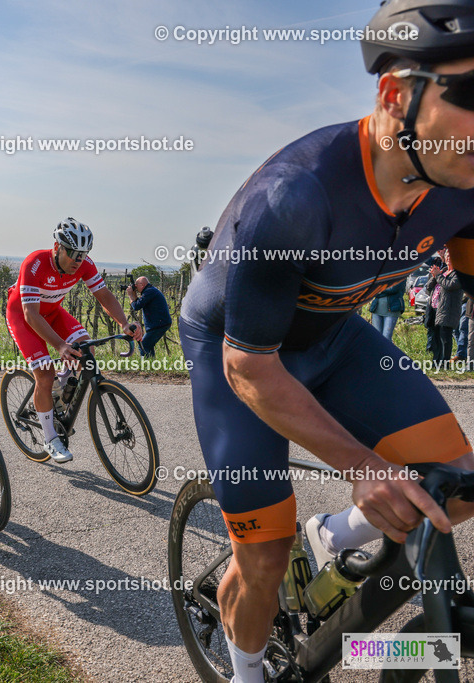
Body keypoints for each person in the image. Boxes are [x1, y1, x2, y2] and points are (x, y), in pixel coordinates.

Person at [178, 3, 474, 681]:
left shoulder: (464, 183)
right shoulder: (296, 195)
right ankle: (249, 669)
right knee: (263, 557)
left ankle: (340, 560)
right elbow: (248, 366)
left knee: (456, 484)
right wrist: (363, 467)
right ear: (396, 94)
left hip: (333, 336)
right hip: (238, 353)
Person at [5, 218, 142, 463]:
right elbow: (31, 315)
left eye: (83, 254)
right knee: (45, 375)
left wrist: (124, 323)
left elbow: (104, 295)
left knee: (84, 348)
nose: (77, 261)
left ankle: (60, 387)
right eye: (73, 253)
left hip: (52, 312)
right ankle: (50, 438)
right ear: (56, 247)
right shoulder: (34, 264)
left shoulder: (84, 265)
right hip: (25, 316)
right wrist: (59, 345)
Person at [425, 249, 462, 366]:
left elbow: (449, 285)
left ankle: (445, 363)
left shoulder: (459, 273)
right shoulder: (444, 271)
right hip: (436, 308)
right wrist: (434, 276)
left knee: (445, 338)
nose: (448, 258)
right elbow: (428, 288)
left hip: (448, 309)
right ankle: (436, 361)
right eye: (447, 256)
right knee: (436, 337)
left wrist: (438, 276)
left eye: (451, 256)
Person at [125, 276, 171, 357]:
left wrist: (130, 295)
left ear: (142, 284)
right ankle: (151, 365)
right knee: (148, 346)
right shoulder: (150, 290)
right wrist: (134, 295)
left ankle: (147, 366)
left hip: (159, 324)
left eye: (136, 285)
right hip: (159, 324)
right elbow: (137, 303)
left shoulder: (149, 292)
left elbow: (136, 306)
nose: (135, 287)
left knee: (143, 345)